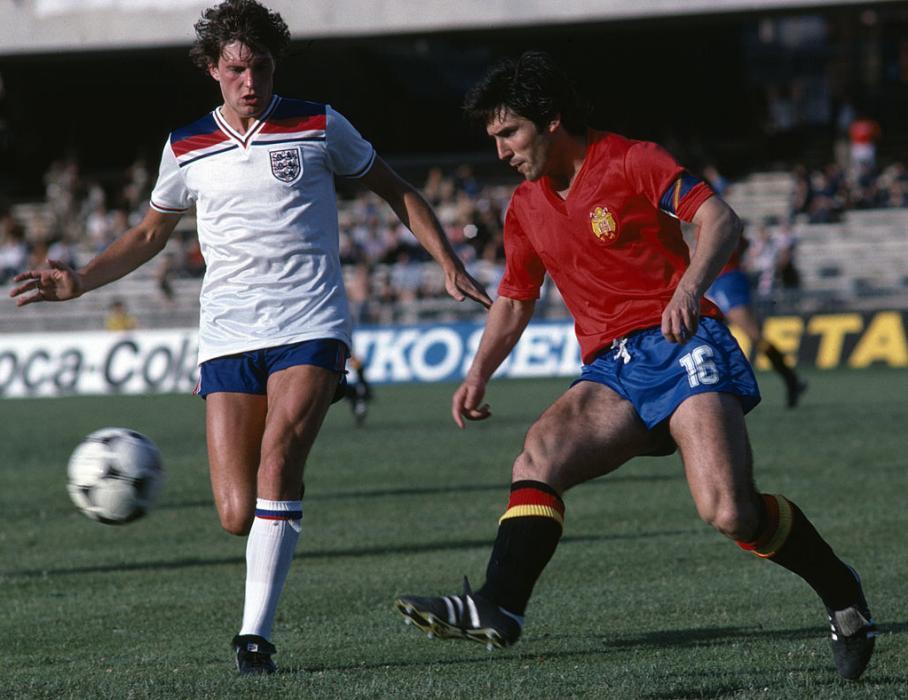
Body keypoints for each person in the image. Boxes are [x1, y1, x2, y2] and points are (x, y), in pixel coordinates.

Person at [10, 0, 490, 676]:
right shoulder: (186, 147)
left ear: (273, 66)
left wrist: (447, 261)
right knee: (238, 514)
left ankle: (254, 638)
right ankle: (271, 538)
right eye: (236, 68)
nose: (249, 80)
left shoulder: (319, 123)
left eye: (260, 66)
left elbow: (396, 189)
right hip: (228, 335)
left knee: (278, 467)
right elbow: (151, 233)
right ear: (213, 69)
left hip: (310, 324)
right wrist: (81, 280)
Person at [395, 51, 876, 681]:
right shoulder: (524, 207)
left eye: (509, 134)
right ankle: (500, 604)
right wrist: (478, 373)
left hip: (685, 343)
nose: (503, 151)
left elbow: (719, 220)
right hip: (614, 370)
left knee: (729, 511)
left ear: (551, 120)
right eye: (495, 139)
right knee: (538, 457)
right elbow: (515, 301)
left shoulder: (631, 160)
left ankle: (843, 593)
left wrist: (687, 288)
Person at [705, 236, 807, 408]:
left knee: (754, 336)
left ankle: (791, 380)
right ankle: (791, 380)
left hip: (726, 280)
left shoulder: (710, 213)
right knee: (715, 333)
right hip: (721, 280)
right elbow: (742, 241)